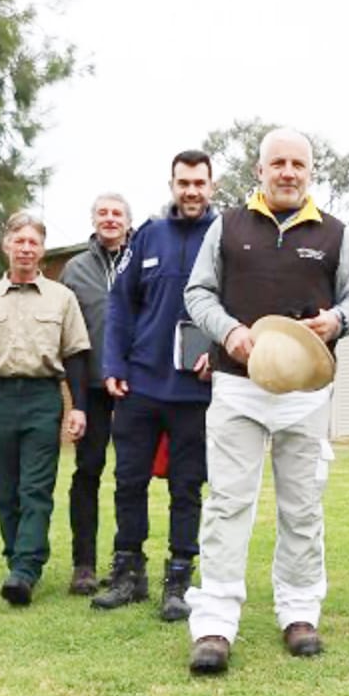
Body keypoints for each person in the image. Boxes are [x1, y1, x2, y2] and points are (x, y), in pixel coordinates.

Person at [182, 127, 349, 673]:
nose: (289, 172)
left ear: (310, 173)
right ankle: (215, 624)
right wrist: (227, 332)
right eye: (278, 163)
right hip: (238, 386)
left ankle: (299, 613)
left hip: (305, 393)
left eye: (299, 164)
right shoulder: (227, 226)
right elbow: (198, 293)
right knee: (227, 502)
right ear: (259, 171)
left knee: (302, 508)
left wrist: (337, 319)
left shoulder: (335, 234)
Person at [0, 211, 91, 607]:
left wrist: (79, 408)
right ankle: (17, 560)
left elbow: (76, 355)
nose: (26, 248)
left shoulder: (62, 298)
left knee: (35, 488)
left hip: (43, 398)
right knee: (6, 492)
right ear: (6, 245)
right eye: (19, 241)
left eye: (33, 242)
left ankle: (25, 569)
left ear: (42, 249)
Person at [94, 150, 217, 619]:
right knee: (128, 482)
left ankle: (179, 580)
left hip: (196, 391)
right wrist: (113, 366)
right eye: (183, 182)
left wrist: (220, 356)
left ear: (212, 186)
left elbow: (237, 309)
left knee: (187, 487)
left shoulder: (224, 237)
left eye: (199, 183)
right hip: (140, 386)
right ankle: (128, 574)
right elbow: (121, 306)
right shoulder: (147, 235)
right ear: (172, 184)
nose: (191, 191)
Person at [58, 192, 133, 595]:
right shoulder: (74, 270)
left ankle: (126, 563)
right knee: (88, 473)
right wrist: (75, 402)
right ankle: (83, 564)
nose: (109, 219)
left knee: (131, 475)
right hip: (90, 387)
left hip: (135, 387)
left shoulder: (143, 259)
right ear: (93, 220)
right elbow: (66, 334)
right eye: (102, 213)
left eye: (116, 213)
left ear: (127, 221)